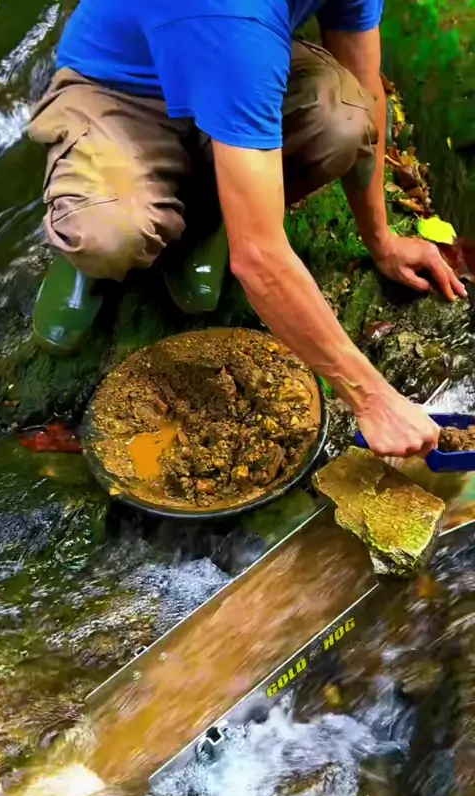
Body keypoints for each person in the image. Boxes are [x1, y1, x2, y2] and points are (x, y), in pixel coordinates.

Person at [28, 0, 466, 458]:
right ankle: (85, 252)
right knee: (109, 235)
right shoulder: (237, 19)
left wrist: (381, 241)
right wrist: (371, 398)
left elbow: (367, 86)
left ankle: (213, 212)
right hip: (118, 88)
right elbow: (259, 257)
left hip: (229, 64)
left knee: (344, 117)